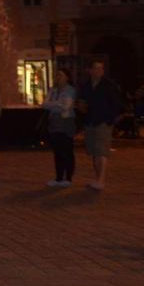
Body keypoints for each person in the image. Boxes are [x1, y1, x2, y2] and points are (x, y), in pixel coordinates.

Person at [75, 59, 123, 192]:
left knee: (101, 151)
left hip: (103, 122)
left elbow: (117, 104)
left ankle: (101, 180)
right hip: (90, 122)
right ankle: (98, 179)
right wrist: (82, 109)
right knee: (94, 152)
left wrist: (109, 120)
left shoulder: (109, 85)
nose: (99, 71)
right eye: (96, 68)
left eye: (101, 68)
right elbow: (82, 102)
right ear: (89, 70)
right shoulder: (86, 86)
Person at [42, 69, 77, 187]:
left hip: (66, 121)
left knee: (67, 149)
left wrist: (53, 104)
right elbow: (45, 104)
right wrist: (57, 103)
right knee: (57, 151)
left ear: (67, 77)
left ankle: (68, 177)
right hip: (54, 122)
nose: (58, 77)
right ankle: (59, 177)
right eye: (57, 75)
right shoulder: (53, 90)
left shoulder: (70, 90)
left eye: (61, 75)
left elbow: (66, 106)